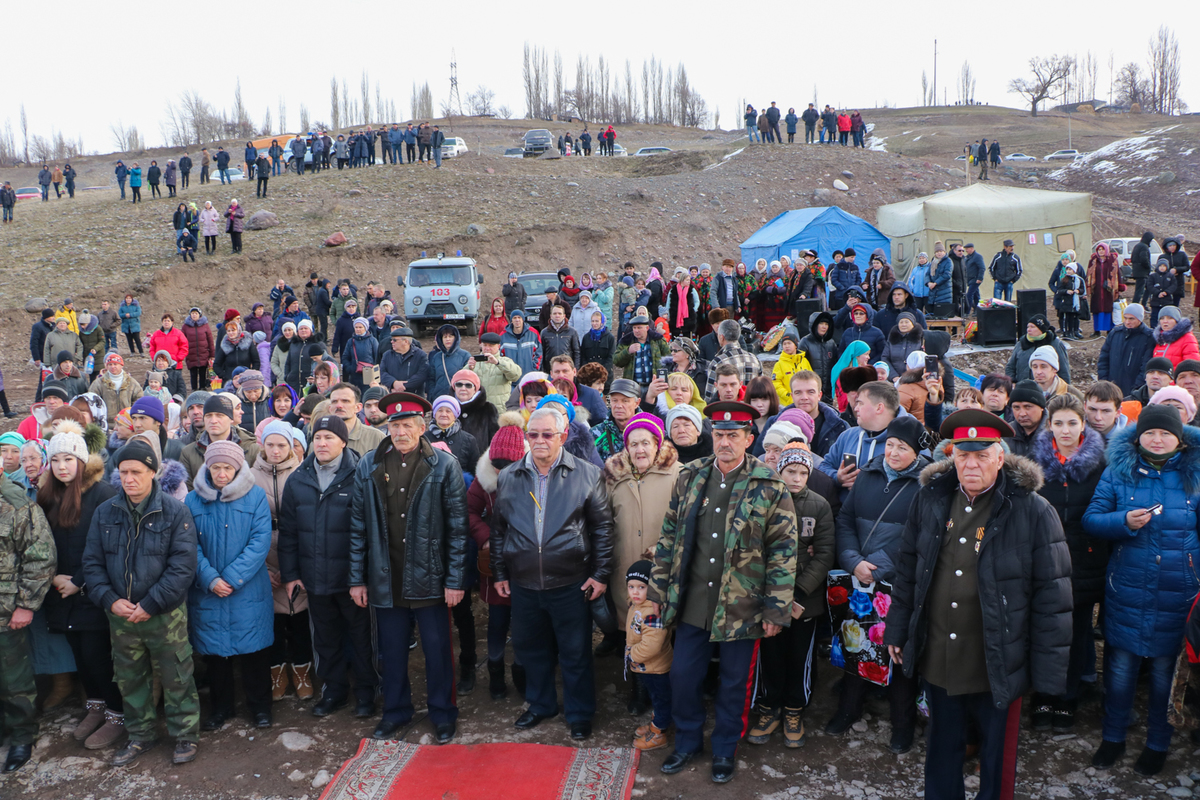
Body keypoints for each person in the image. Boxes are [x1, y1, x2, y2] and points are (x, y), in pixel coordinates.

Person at [885, 409, 1071, 800]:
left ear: (1000, 458)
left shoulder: (1033, 510)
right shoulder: (930, 499)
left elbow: (1053, 598)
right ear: (951, 456)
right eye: (963, 455)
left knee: (997, 758)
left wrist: (1047, 675)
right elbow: (908, 570)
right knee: (942, 749)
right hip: (940, 655)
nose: (971, 464)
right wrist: (898, 629)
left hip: (998, 662)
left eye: (982, 455)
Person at [651, 400, 797, 783]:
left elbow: (783, 552)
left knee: (734, 684)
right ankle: (687, 742)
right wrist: (658, 591)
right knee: (683, 676)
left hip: (742, 606)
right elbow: (669, 536)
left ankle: (724, 749)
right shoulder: (691, 476)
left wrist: (776, 610)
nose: (725, 442)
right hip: (694, 602)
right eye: (719, 434)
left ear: (749, 438)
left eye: (734, 435)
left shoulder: (768, 484)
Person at [1083, 405, 1200, 776]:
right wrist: (1123, 521)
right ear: (1138, 437)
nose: (1157, 439)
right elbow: (1092, 519)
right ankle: (1113, 737)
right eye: (1150, 432)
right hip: (1127, 588)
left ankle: (1158, 743)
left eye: (1166, 433)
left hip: (1178, 592)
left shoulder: (1195, 473)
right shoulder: (1118, 471)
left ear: (1180, 439)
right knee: (1119, 671)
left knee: (1166, 674)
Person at [349, 394, 469, 742]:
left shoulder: (444, 466)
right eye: (395, 425)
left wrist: (455, 580)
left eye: (407, 425)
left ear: (421, 427)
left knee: (437, 651)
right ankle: (396, 711)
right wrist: (357, 579)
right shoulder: (369, 464)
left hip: (430, 576)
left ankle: (443, 713)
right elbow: (358, 527)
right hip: (386, 576)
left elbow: (458, 529)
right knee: (392, 652)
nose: (400, 432)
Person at [490, 406, 613, 740]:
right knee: (531, 648)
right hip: (524, 582)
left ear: (563, 436)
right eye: (533, 434)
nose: (540, 440)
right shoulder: (509, 476)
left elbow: (603, 529)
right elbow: (499, 530)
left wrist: (600, 574)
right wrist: (499, 573)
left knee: (575, 651)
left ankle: (579, 713)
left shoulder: (587, 474)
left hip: (571, 582)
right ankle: (541, 704)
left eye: (547, 434)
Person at [81, 438, 201, 766]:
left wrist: (151, 603)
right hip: (121, 616)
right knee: (130, 677)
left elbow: (183, 566)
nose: (129, 479)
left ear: (152, 473)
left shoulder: (175, 512)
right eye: (123, 472)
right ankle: (140, 734)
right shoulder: (105, 512)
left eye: (136, 472)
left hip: (164, 615)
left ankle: (185, 734)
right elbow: (92, 563)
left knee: (176, 675)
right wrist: (110, 600)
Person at [825, 416, 929, 750]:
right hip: (860, 579)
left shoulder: (925, 485)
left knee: (897, 650)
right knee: (856, 643)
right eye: (890, 445)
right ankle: (848, 710)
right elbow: (845, 520)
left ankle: (903, 724)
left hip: (899, 583)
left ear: (916, 452)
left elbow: (922, 536)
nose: (894, 452)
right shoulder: (868, 474)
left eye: (903, 447)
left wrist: (878, 566)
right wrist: (853, 560)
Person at [277, 415, 375, 720]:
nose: (321, 443)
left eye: (329, 437)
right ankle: (334, 690)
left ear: (343, 441)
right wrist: (291, 575)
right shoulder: (298, 478)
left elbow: (369, 531)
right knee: (325, 638)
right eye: (317, 437)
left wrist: (362, 577)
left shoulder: (360, 474)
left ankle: (367, 691)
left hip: (351, 579)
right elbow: (289, 532)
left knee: (361, 638)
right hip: (314, 578)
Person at [1025, 395, 1107, 734]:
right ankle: (1043, 695)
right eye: (1058, 423)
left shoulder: (1099, 465)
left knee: (1076, 633)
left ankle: (1067, 697)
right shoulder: (1035, 465)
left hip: (1083, 562)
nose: (1066, 430)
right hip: (1044, 562)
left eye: (1072, 423)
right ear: (1050, 425)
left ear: (1083, 424)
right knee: (1044, 631)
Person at [744, 444, 833, 750]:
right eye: (790, 471)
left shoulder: (819, 505)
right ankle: (768, 708)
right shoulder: (764, 500)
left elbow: (825, 554)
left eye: (803, 473)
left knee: (799, 656)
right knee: (771, 654)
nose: (796, 478)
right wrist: (772, 591)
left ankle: (795, 710)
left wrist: (797, 591)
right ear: (779, 471)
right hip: (768, 597)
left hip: (804, 601)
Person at [184, 440, 274, 730]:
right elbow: (189, 545)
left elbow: (260, 541)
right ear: (207, 467)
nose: (221, 474)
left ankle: (260, 707)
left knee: (254, 652)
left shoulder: (255, 496)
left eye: (227, 468)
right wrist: (210, 578)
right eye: (216, 468)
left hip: (247, 588)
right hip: (208, 590)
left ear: (237, 469)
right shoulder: (192, 500)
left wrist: (233, 578)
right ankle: (221, 708)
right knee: (216, 655)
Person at [603, 411, 681, 669]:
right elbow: (604, 519)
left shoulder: (678, 474)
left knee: (661, 634)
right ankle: (635, 681)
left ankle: (659, 682)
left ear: (657, 444)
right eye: (633, 444)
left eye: (645, 443)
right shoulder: (614, 476)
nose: (639, 450)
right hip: (624, 568)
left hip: (662, 570)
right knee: (630, 630)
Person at [0, 452, 55, 773]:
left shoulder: (18, 504)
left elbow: (41, 557)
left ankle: (22, 735)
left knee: (14, 679)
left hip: (6, 610)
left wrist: (26, 604)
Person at [623, 559, 674, 752]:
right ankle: (656, 723)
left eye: (641, 587)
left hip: (656, 668)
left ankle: (659, 733)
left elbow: (652, 645)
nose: (635, 592)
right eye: (631, 586)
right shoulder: (637, 605)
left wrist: (631, 655)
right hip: (646, 667)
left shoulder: (653, 612)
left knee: (661, 699)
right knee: (656, 697)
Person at [179, 395, 260, 489]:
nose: (213, 421)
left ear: (231, 419)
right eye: (208, 415)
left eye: (219, 415)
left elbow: (257, 487)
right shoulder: (188, 453)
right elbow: (186, 490)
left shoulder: (252, 449)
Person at [1097, 305, 1155, 396]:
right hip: (1111, 389)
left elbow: (1146, 366)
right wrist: (1104, 381)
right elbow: (1103, 359)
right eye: (1125, 318)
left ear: (1140, 319)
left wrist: (1136, 389)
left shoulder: (1148, 337)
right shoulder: (1115, 334)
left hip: (1133, 391)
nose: (1127, 322)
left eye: (1131, 319)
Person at [704, 319, 762, 401]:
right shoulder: (754, 359)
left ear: (721, 337)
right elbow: (761, 389)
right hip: (750, 407)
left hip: (727, 408)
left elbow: (710, 398)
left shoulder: (717, 362)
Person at [1005, 314, 1072, 384]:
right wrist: (1012, 383)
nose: (1029, 329)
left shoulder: (1055, 344)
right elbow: (1010, 367)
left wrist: (1064, 387)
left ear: (1041, 329)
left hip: (1047, 388)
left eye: (1032, 327)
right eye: (1028, 327)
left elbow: (1064, 370)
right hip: (1023, 387)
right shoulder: (1021, 344)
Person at [1005, 379, 1047, 456]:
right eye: (1016, 407)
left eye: (1028, 407)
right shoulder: (1006, 434)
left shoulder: (1055, 434)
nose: (1022, 414)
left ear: (1041, 407)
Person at [1087, 242, 1122, 335]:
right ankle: (1097, 330)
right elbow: (1089, 274)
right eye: (1099, 249)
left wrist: (1119, 286)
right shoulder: (1093, 260)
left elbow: (1117, 274)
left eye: (1103, 249)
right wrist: (1089, 286)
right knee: (1097, 309)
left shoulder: (1112, 260)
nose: (1101, 251)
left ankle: (1109, 329)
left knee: (1108, 308)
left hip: (1109, 289)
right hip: (1096, 289)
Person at [1146, 256, 1178, 328]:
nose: (1162, 268)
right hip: (1155, 301)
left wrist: (1166, 292)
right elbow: (1149, 286)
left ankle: (1166, 328)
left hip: (1167, 301)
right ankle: (1154, 329)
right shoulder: (1153, 276)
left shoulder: (1171, 276)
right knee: (1154, 316)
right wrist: (1157, 293)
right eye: (1160, 266)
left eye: (1164, 266)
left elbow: (1173, 286)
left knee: (1166, 316)